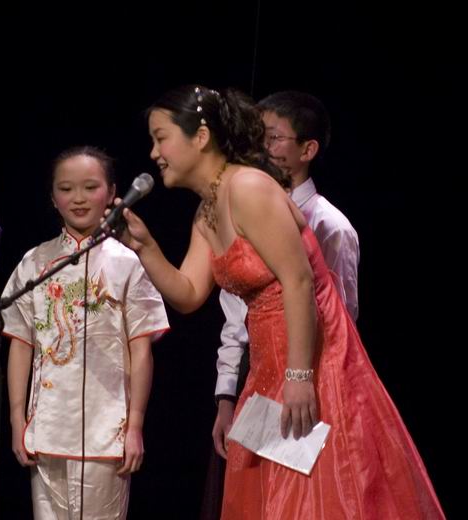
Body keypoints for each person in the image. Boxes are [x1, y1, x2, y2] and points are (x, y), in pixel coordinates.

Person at [118, 84, 444, 518]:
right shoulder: (208, 210)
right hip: (269, 366)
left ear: (200, 137)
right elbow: (190, 294)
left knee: (318, 495)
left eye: (161, 138)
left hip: (314, 360)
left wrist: (300, 376)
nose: (154, 153)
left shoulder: (248, 187)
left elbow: (299, 281)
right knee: (269, 495)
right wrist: (146, 248)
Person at [2, 146, 169, 519]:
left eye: (90, 187)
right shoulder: (35, 262)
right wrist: (17, 421)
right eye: (66, 189)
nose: (78, 198)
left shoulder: (127, 263)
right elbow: (22, 344)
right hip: (46, 429)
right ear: (52, 197)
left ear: (112, 193)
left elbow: (141, 350)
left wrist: (135, 426)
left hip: (106, 431)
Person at [211, 90, 360, 460]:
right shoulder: (242, 210)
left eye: (274, 137)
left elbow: (341, 321)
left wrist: (305, 380)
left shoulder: (329, 225)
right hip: (255, 372)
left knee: (298, 484)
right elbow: (235, 314)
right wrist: (226, 394)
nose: (262, 147)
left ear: (307, 150)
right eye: (258, 136)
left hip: (308, 380)